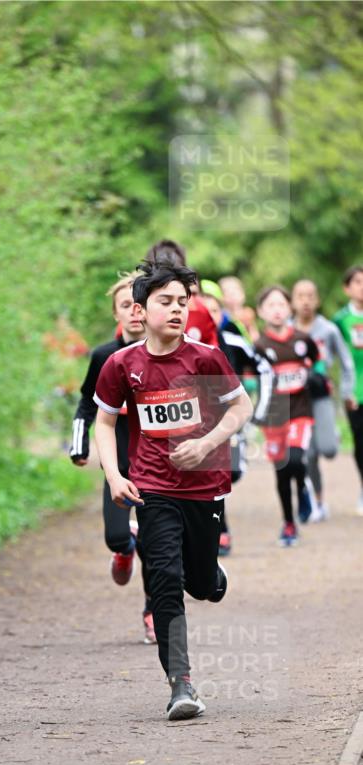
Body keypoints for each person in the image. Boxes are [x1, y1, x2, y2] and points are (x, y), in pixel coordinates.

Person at [94, 259, 253, 721]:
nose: (178, 309)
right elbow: (105, 421)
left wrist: (205, 443)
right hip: (153, 487)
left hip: (204, 488)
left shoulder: (205, 358)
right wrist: (114, 474)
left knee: (200, 585)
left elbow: (240, 407)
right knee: (164, 577)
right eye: (166, 301)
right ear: (140, 310)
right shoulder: (122, 364)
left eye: (183, 301)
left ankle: (210, 575)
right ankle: (181, 683)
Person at [70, 277, 155, 643]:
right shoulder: (104, 356)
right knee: (116, 536)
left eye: (139, 305)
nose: (133, 312)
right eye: (125, 306)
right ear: (116, 313)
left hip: (156, 462)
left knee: (157, 543)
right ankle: (125, 547)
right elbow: (86, 403)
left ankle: (153, 611)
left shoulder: (164, 354)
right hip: (117, 462)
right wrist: (79, 444)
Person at [200, 280, 273, 555]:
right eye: (203, 311)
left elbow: (264, 369)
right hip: (195, 422)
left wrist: (260, 411)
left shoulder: (232, 338)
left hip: (230, 418)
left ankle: (215, 527)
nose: (209, 316)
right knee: (207, 472)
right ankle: (220, 530)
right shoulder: (183, 345)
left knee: (231, 472)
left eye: (214, 311)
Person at [255, 285, 321, 546]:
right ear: (261, 311)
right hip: (274, 415)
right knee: (282, 472)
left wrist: (316, 377)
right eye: (271, 305)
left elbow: (317, 361)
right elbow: (251, 377)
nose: (277, 310)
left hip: (300, 411)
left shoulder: (303, 339)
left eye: (281, 304)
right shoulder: (259, 346)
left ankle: (303, 488)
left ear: (289, 308)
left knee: (294, 459)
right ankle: (289, 523)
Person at [291, 278, 355, 521]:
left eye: (310, 296)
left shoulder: (328, 330)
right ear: (293, 301)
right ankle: (318, 502)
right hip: (296, 400)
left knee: (328, 449)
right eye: (300, 296)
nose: (305, 301)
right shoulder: (286, 330)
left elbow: (347, 363)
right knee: (309, 455)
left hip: (321, 395)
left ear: (317, 300)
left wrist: (347, 391)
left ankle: (330, 435)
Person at [145, 239, 219, 347]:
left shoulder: (200, 311)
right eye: (165, 302)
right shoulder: (137, 309)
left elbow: (212, 350)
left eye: (182, 303)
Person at [332, 265, 363, 515]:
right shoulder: (340, 320)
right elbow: (333, 356)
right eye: (358, 282)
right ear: (347, 288)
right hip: (355, 391)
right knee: (360, 443)